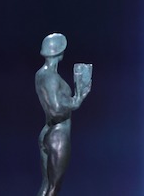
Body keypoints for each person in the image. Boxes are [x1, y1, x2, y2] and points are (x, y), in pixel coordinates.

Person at [35, 33, 91, 196]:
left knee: (47, 185)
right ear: (58, 52)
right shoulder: (52, 78)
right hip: (58, 134)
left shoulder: (41, 75)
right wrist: (77, 100)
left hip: (48, 132)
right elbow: (56, 109)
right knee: (54, 187)